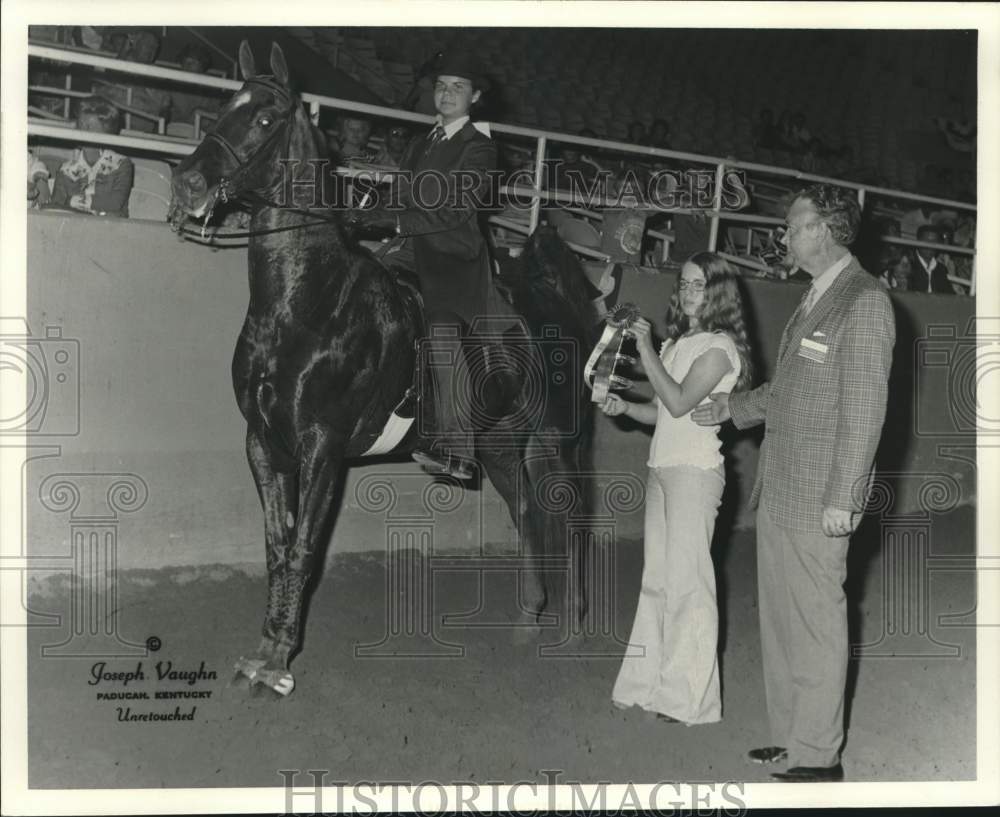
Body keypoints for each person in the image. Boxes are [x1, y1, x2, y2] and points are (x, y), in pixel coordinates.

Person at [692, 184, 895, 782]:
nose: (783, 234)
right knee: (782, 622)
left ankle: (819, 757)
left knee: (815, 622)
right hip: (782, 488)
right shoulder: (817, 298)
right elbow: (791, 393)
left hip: (820, 496)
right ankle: (792, 739)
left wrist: (844, 497)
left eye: (792, 224)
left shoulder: (865, 301)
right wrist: (731, 407)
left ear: (826, 230)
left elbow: (863, 413)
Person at [607, 253, 752, 725]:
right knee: (657, 581)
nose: (689, 293)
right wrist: (624, 407)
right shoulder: (678, 342)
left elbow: (679, 399)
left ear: (719, 293)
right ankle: (648, 685)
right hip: (662, 469)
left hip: (694, 473)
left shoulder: (719, 348)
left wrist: (645, 346)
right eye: (685, 284)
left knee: (689, 585)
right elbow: (658, 411)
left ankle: (690, 700)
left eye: (700, 285)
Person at [349, 53, 498, 479]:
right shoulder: (420, 142)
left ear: (476, 97)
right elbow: (398, 198)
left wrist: (394, 219)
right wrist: (358, 212)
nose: (446, 93)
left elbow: (455, 211)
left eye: (458, 87)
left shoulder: (480, 147)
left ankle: (456, 446)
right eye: (441, 85)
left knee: (443, 331)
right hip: (406, 247)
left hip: (452, 256)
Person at [49, 97, 134, 218]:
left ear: (107, 132)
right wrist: (69, 202)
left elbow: (116, 202)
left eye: (89, 127)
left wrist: (83, 201)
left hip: (110, 230)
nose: (81, 131)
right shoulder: (66, 169)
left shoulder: (121, 164)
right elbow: (55, 206)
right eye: (80, 125)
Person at [909, 224, 953, 294]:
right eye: (926, 241)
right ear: (917, 241)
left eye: (934, 242)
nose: (930, 245)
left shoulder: (941, 269)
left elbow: (950, 296)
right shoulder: (908, 264)